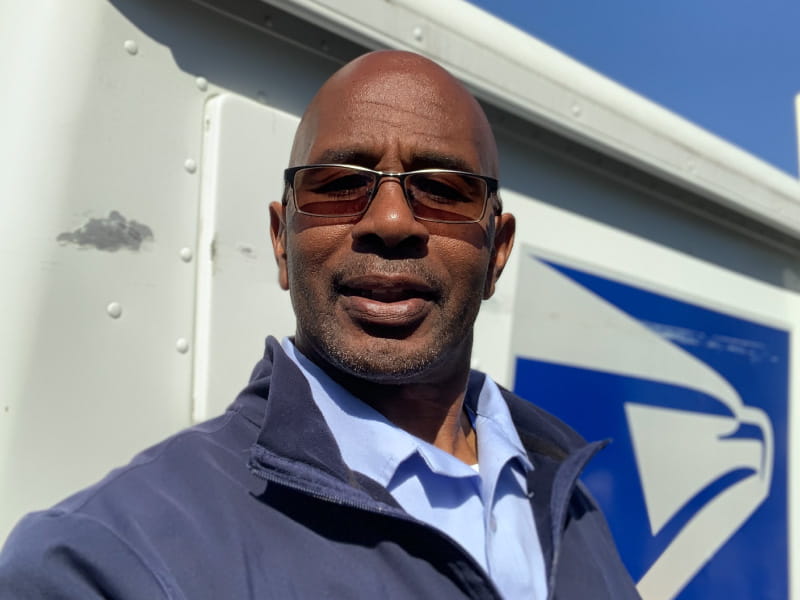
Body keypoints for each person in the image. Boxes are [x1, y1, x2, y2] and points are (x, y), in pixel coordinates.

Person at [0, 51, 639, 599]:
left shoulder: (566, 497)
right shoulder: (108, 560)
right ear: (282, 241)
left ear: (496, 252)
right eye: (338, 184)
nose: (391, 222)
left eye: (444, 189)